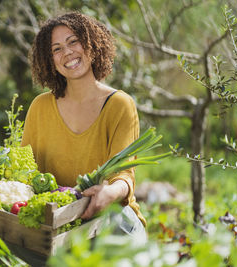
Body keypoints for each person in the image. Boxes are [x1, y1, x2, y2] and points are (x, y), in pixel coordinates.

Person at [21, 11, 146, 238]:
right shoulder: (40, 107)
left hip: (111, 223)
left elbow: (124, 175)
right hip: (59, 226)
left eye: (73, 41)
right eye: (56, 49)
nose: (67, 52)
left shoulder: (120, 105)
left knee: (117, 218)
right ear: (49, 60)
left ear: (92, 44)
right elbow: (24, 172)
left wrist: (109, 192)